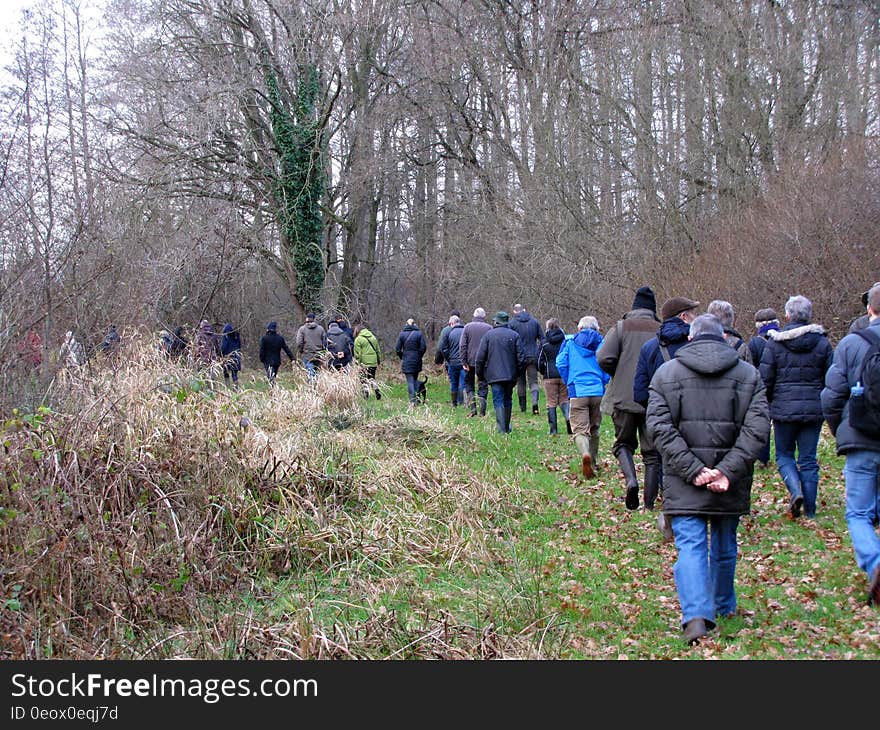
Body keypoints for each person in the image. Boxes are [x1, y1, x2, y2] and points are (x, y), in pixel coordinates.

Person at [646, 313, 769, 645]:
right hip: (731, 480)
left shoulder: (665, 374)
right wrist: (727, 471)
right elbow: (757, 430)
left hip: (684, 481)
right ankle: (724, 605)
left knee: (690, 545)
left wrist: (694, 470)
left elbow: (658, 428)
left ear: (689, 338)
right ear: (725, 338)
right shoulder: (749, 375)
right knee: (726, 543)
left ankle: (697, 615)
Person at [821, 282, 880, 607]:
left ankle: (873, 562)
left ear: (869, 309)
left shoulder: (851, 343)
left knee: (858, 512)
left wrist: (838, 429)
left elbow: (831, 396)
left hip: (861, 437)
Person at [758, 295, 833, 519]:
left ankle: (795, 490)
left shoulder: (774, 344)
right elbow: (831, 377)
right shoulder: (822, 343)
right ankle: (810, 510)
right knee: (808, 459)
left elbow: (766, 379)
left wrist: (768, 404)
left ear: (788, 315)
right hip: (813, 409)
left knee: (783, 455)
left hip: (783, 410)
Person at [632, 296, 701, 509]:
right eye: (693, 313)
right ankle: (692, 500)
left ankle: (660, 503)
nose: (696, 317)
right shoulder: (697, 344)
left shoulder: (650, 348)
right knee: (693, 455)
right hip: (695, 412)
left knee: (659, 458)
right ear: (683, 316)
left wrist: (655, 409)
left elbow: (639, 392)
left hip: (661, 414)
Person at [597, 285, 661, 510]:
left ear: (633, 307)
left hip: (623, 397)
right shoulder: (660, 329)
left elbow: (604, 357)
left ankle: (631, 480)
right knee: (652, 453)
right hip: (653, 397)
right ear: (653, 309)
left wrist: (619, 371)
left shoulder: (621, 327)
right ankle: (650, 504)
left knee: (623, 443)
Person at [556, 316, 609, 477]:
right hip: (597, 390)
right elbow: (608, 363)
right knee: (595, 428)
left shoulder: (570, 342)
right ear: (597, 328)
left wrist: (568, 380)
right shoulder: (602, 342)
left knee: (580, 430)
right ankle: (593, 461)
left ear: (579, 328)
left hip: (577, 390)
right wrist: (604, 380)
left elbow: (560, 363)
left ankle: (585, 454)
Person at [474, 311, 526, 434]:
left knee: (498, 400)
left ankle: (502, 429)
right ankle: (506, 427)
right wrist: (517, 373)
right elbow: (521, 358)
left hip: (493, 375)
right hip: (510, 375)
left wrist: (480, 374)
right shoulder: (515, 335)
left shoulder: (488, 336)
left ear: (497, 322)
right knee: (508, 399)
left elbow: (480, 358)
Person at [747, 308, 781, 467]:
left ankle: (763, 458)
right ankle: (783, 454)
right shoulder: (784, 338)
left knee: (763, 425)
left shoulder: (755, 343)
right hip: (781, 388)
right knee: (782, 424)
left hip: (763, 388)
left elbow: (751, 366)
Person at [538, 318, 572, 436]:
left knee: (551, 402)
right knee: (564, 399)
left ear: (547, 327)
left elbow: (538, 361)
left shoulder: (544, 342)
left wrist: (543, 372)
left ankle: (553, 430)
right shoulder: (566, 341)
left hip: (549, 376)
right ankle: (569, 422)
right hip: (564, 375)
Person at [509, 303, 544, 415]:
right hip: (533, 356)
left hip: (518, 357)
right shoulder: (534, 322)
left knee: (521, 382)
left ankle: (523, 408)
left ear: (514, 311)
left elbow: (510, 342)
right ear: (524, 310)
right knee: (533, 381)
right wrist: (538, 351)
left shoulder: (512, 323)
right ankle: (535, 404)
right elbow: (542, 339)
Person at [460, 307, 493, 417]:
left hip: (470, 361)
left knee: (469, 384)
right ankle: (482, 411)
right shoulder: (489, 328)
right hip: (485, 362)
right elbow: (491, 346)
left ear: (474, 316)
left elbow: (463, 346)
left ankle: (473, 408)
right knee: (483, 384)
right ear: (484, 316)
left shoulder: (467, 327)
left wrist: (464, 361)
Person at [395, 317, 428, 406]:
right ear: (415, 324)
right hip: (416, 360)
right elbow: (423, 347)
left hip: (406, 360)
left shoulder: (402, 334)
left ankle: (413, 401)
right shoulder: (419, 334)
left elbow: (397, 349)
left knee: (410, 381)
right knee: (415, 380)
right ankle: (416, 399)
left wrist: (402, 356)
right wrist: (419, 355)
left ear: (406, 324)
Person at [437, 314, 466, 408]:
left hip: (452, 362)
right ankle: (463, 403)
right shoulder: (465, 331)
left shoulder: (449, 333)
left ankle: (454, 403)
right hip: (463, 362)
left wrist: (448, 358)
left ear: (452, 323)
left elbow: (443, 348)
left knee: (454, 383)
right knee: (462, 383)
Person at [259, 321, 294, 386]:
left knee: (270, 376)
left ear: (268, 329)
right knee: (273, 375)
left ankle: (273, 389)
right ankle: (274, 388)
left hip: (267, 361)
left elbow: (262, 350)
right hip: (277, 361)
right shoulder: (280, 338)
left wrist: (261, 358)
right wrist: (292, 358)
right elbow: (286, 349)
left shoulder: (264, 338)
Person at [295, 312, 327, 381]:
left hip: (307, 354)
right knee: (317, 373)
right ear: (314, 319)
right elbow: (325, 342)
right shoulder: (321, 329)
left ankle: (312, 387)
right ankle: (317, 386)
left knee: (310, 373)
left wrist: (301, 350)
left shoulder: (302, 329)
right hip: (319, 354)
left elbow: (299, 342)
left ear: (307, 319)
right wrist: (323, 351)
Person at [354, 323, 382, 399]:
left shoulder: (358, 339)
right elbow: (378, 351)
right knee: (372, 377)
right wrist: (379, 361)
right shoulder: (373, 337)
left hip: (364, 363)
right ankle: (376, 389)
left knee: (363, 379)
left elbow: (358, 354)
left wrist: (357, 364)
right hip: (373, 362)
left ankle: (365, 395)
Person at [220, 323, 243, 387]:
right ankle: (236, 387)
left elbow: (223, 347)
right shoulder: (236, 336)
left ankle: (227, 386)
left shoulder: (226, 337)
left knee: (226, 372)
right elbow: (239, 346)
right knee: (234, 373)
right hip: (236, 357)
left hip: (227, 357)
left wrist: (221, 354)